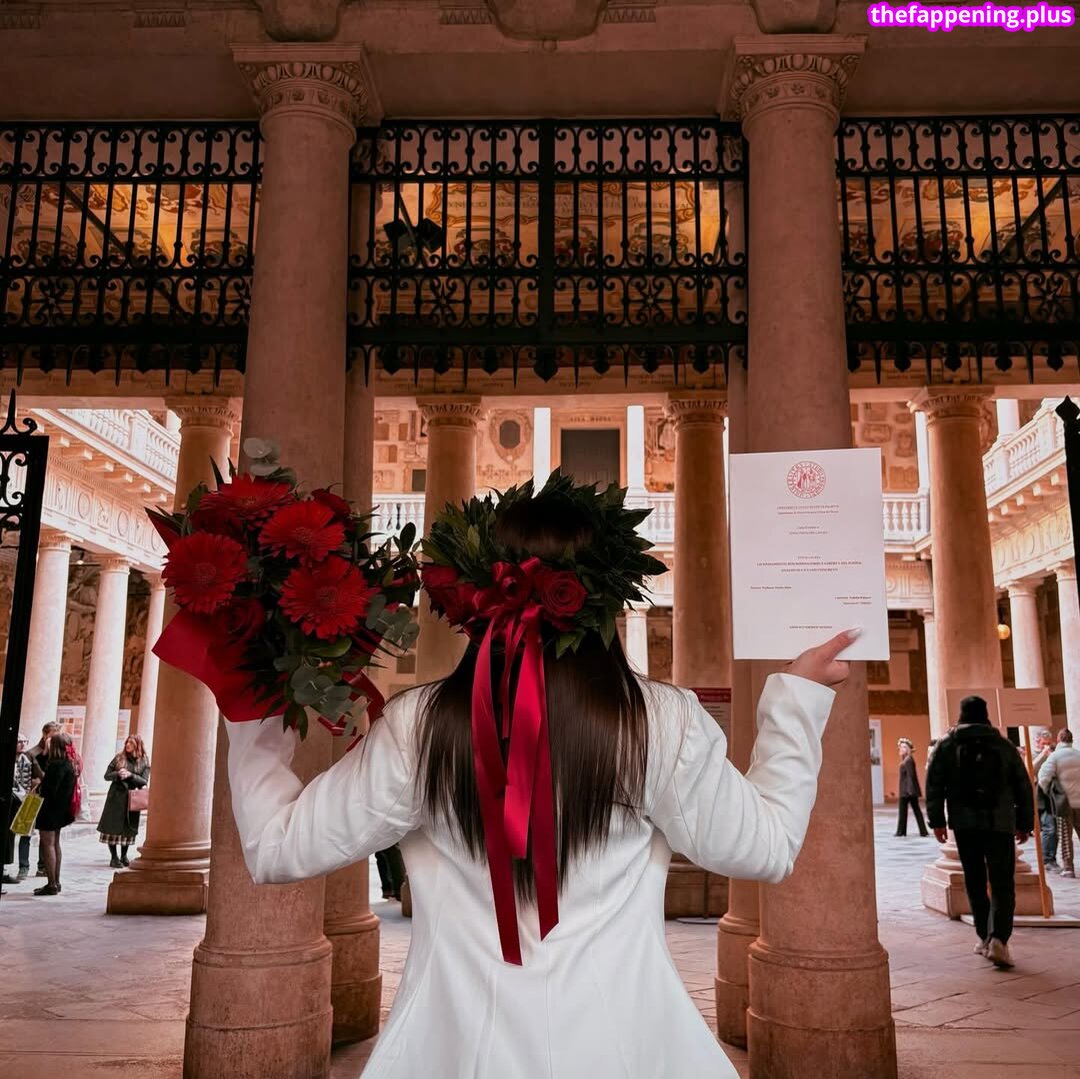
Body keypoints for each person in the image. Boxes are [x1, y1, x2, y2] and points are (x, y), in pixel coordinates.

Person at [219, 482, 853, 1078]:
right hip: (626, 1050)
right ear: (608, 594)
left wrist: (255, 700)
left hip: (456, 1052)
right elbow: (766, 849)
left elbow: (279, 849)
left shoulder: (420, 725)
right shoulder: (661, 721)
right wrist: (795, 702)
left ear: (477, 596)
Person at [926, 696, 1034, 969]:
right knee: (1002, 882)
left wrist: (937, 821)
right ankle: (998, 938)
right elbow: (1022, 785)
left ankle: (985, 935)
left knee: (974, 880)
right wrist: (1024, 823)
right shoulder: (1003, 746)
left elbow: (934, 784)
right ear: (985, 715)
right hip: (999, 822)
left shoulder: (947, 745)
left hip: (965, 824)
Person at [34, 732, 78, 897]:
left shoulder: (56, 765)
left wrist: (40, 785)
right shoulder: (69, 764)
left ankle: (51, 884)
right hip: (61, 809)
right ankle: (56, 882)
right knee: (55, 844)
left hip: (50, 810)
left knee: (48, 845)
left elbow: (49, 790)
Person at [97, 734, 151, 868]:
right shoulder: (119, 758)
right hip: (116, 797)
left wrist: (130, 775)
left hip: (132, 798)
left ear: (138, 746)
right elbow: (106, 776)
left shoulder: (144, 761)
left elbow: (144, 781)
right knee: (112, 827)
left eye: (131, 743)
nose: (127, 745)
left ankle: (124, 856)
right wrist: (118, 774)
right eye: (127, 742)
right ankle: (114, 857)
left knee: (128, 827)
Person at [1038, 728, 1080, 879]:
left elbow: (1043, 777)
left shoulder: (1055, 756)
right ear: (1071, 740)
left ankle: (1068, 868)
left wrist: (1047, 793)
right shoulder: (1078, 754)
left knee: (1065, 836)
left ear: (1058, 739)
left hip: (1064, 802)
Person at [27, 721, 60, 877]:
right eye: (53, 735)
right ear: (45, 735)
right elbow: (30, 776)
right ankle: (30, 865)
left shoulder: (58, 754)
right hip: (37, 796)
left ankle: (46, 866)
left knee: (51, 836)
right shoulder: (33, 753)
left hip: (53, 799)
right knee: (34, 833)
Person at [2, 733, 34, 886]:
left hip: (22, 800)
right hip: (8, 801)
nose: (22, 744)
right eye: (19, 741)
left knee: (15, 836)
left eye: (24, 741)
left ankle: (14, 868)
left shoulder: (27, 760)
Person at [1032, 728, 1059, 870]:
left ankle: (1051, 858)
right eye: (1044, 743)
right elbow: (1030, 769)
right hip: (1040, 797)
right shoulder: (1032, 754)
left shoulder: (1053, 754)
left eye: (1048, 743)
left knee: (1054, 829)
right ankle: (1047, 859)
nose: (1046, 746)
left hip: (1052, 796)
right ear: (1038, 742)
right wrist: (1043, 754)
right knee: (1049, 828)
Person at [895, 737, 929, 837]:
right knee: (912, 810)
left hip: (907, 791)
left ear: (908, 749)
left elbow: (911, 776)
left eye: (904, 747)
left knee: (908, 811)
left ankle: (902, 831)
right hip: (906, 790)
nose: (901, 749)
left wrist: (910, 790)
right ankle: (905, 831)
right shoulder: (906, 760)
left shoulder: (908, 760)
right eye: (900, 747)